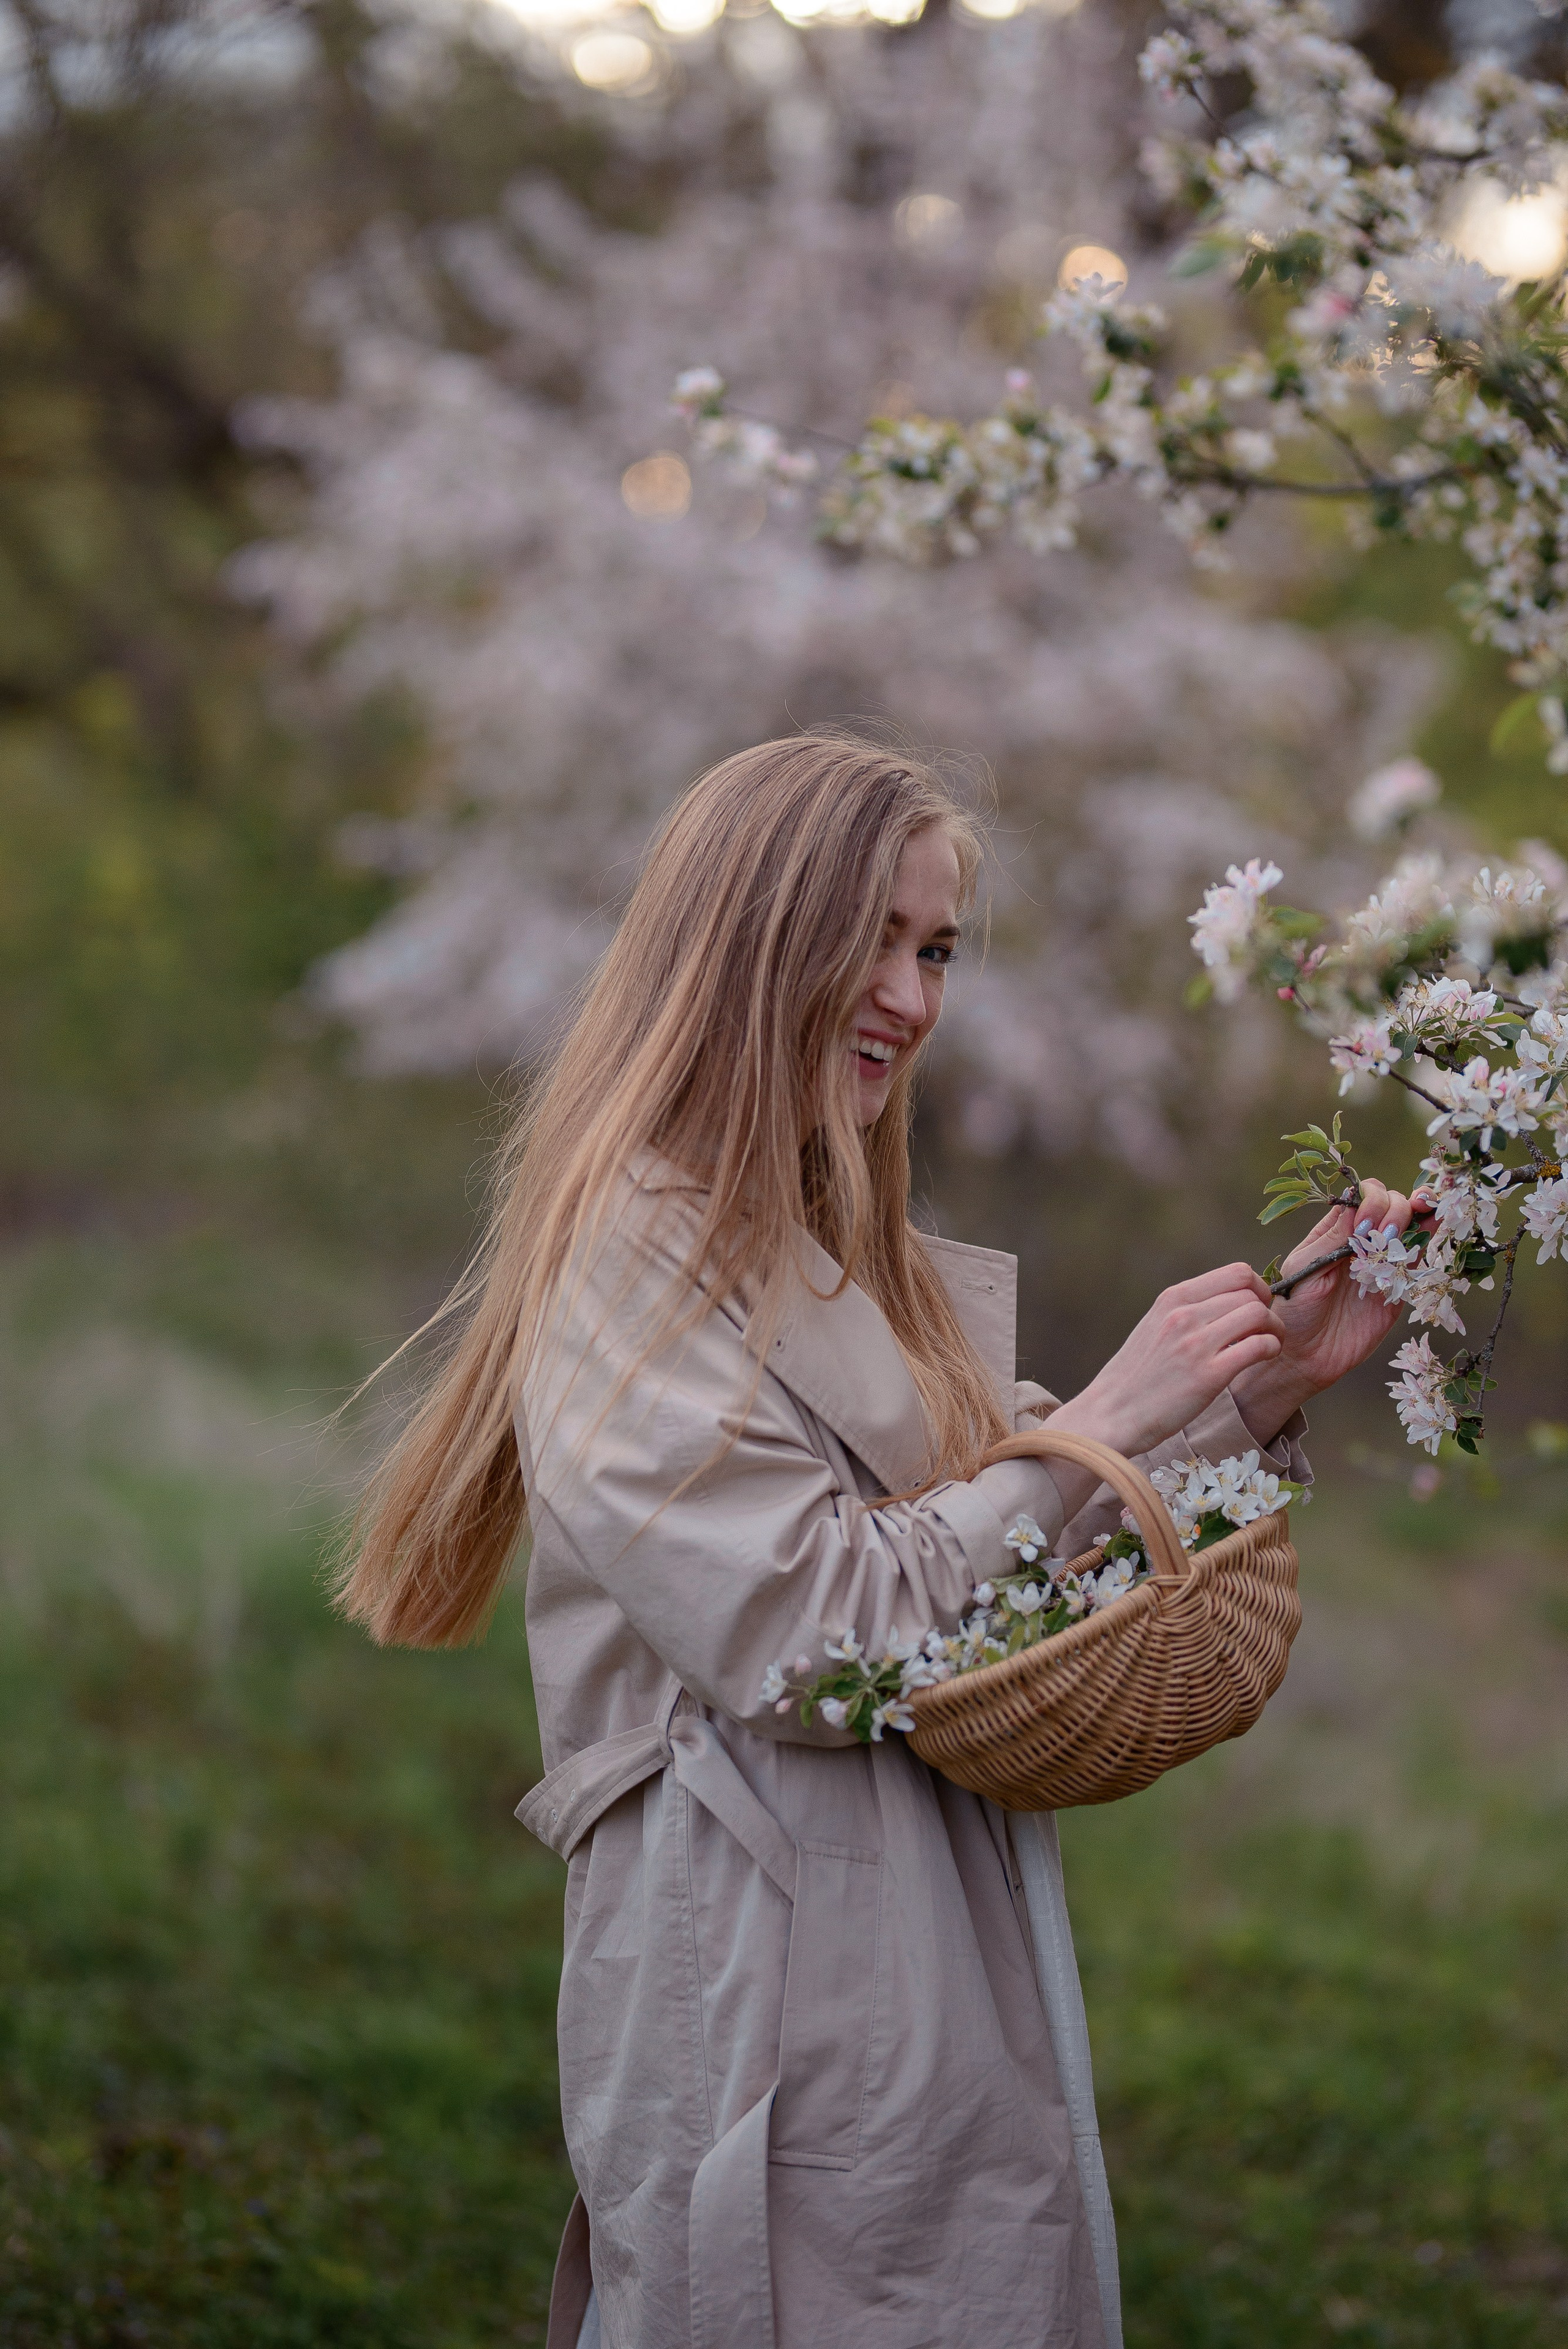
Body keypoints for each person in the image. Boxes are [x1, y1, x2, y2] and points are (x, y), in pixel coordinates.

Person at [338, 734, 1419, 2349]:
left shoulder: (833, 1254)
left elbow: (1005, 1578)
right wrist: (1105, 1418)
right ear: (756, 931)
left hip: (925, 1947)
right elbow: (809, 1625)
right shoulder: (633, 1254)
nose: (911, 996)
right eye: (877, 938)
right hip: (766, 1975)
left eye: (936, 950)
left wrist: (1252, 1394)